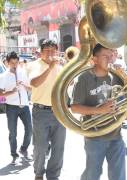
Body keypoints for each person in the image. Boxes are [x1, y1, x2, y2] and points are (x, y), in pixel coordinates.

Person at [70, 43, 127, 180]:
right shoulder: (84, 78)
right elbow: (75, 107)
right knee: (92, 174)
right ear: (94, 59)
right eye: (105, 56)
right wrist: (99, 110)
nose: (110, 59)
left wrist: (124, 74)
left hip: (115, 134)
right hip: (94, 136)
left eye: (111, 55)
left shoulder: (116, 75)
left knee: (118, 176)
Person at [27, 39, 66, 180]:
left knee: (58, 148)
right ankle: (38, 173)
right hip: (40, 112)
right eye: (47, 50)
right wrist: (50, 68)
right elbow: (34, 83)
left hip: (59, 111)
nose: (50, 53)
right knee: (40, 147)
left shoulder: (60, 67)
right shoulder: (33, 65)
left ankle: (53, 176)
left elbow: (70, 84)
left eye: (53, 50)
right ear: (40, 52)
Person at [0, 51, 32, 165]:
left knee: (30, 129)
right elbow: (1, 93)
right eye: (12, 63)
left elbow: (30, 89)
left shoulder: (23, 72)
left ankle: (23, 149)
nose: (14, 65)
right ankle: (14, 155)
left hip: (25, 106)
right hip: (11, 107)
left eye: (16, 62)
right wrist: (11, 91)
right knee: (12, 133)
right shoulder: (3, 76)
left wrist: (23, 84)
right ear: (7, 63)